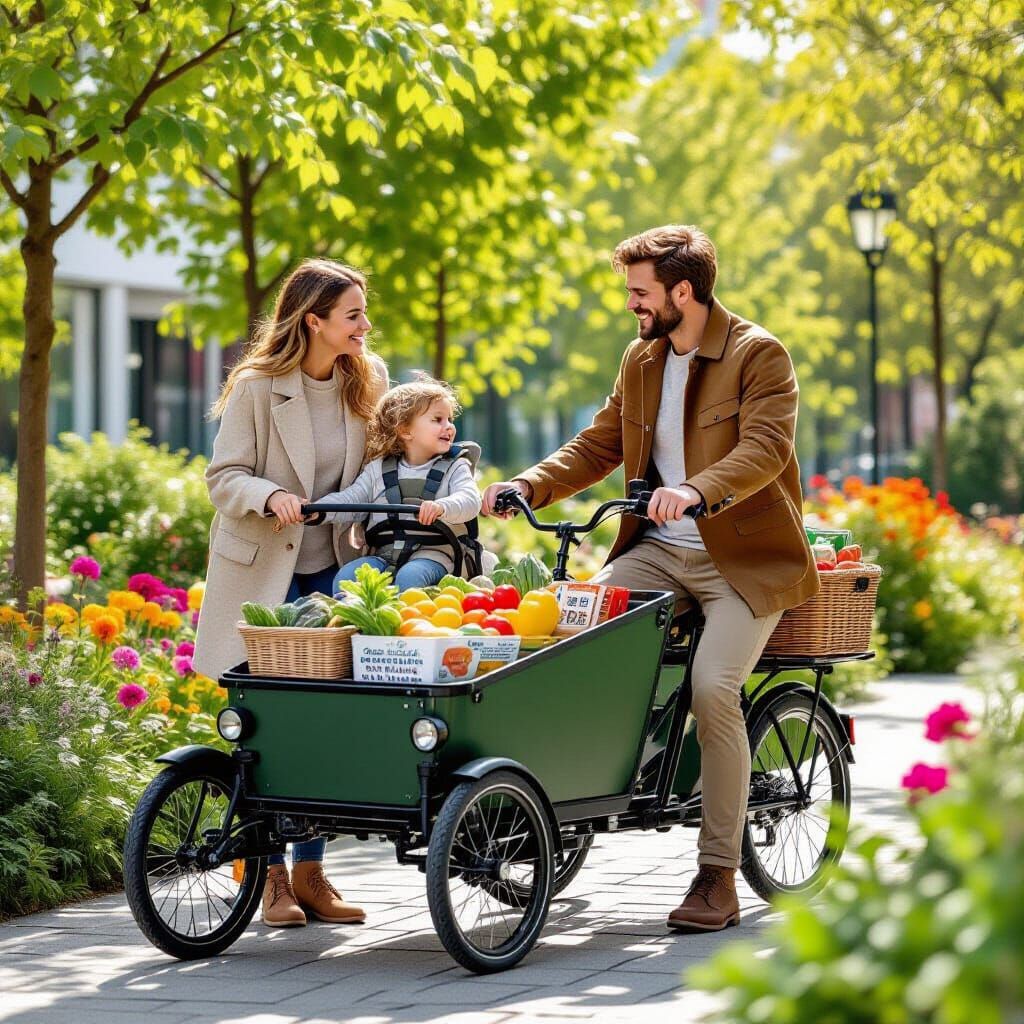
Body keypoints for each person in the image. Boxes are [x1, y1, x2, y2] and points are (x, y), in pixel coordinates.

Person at [482, 225, 818, 933]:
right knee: (566, 639)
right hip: (658, 550)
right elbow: (600, 442)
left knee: (712, 688)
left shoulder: (759, 355)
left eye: (640, 292)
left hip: (742, 561)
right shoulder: (640, 359)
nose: (630, 306)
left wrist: (696, 490)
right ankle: (558, 806)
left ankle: (717, 876)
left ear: (683, 292)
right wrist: (528, 485)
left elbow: (764, 449)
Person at [194, 258, 389, 929]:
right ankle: (270, 874)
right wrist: (269, 493)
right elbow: (224, 478)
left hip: (332, 571)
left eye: (364, 313)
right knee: (269, 728)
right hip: (261, 576)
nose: (366, 326)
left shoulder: (367, 381)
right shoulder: (258, 386)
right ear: (314, 320)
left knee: (324, 724)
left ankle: (312, 873)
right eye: (353, 315)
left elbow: (375, 474)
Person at [313, 376, 483, 592]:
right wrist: (318, 510)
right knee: (347, 577)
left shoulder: (456, 467)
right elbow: (351, 500)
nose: (449, 427)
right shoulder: (378, 469)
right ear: (405, 430)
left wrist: (442, 507)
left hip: (436, 555)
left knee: (411, 577)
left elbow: (470, 500)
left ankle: (407, 624)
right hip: (385, 555)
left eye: (449, 419)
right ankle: (355, 624)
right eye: (437, 419)